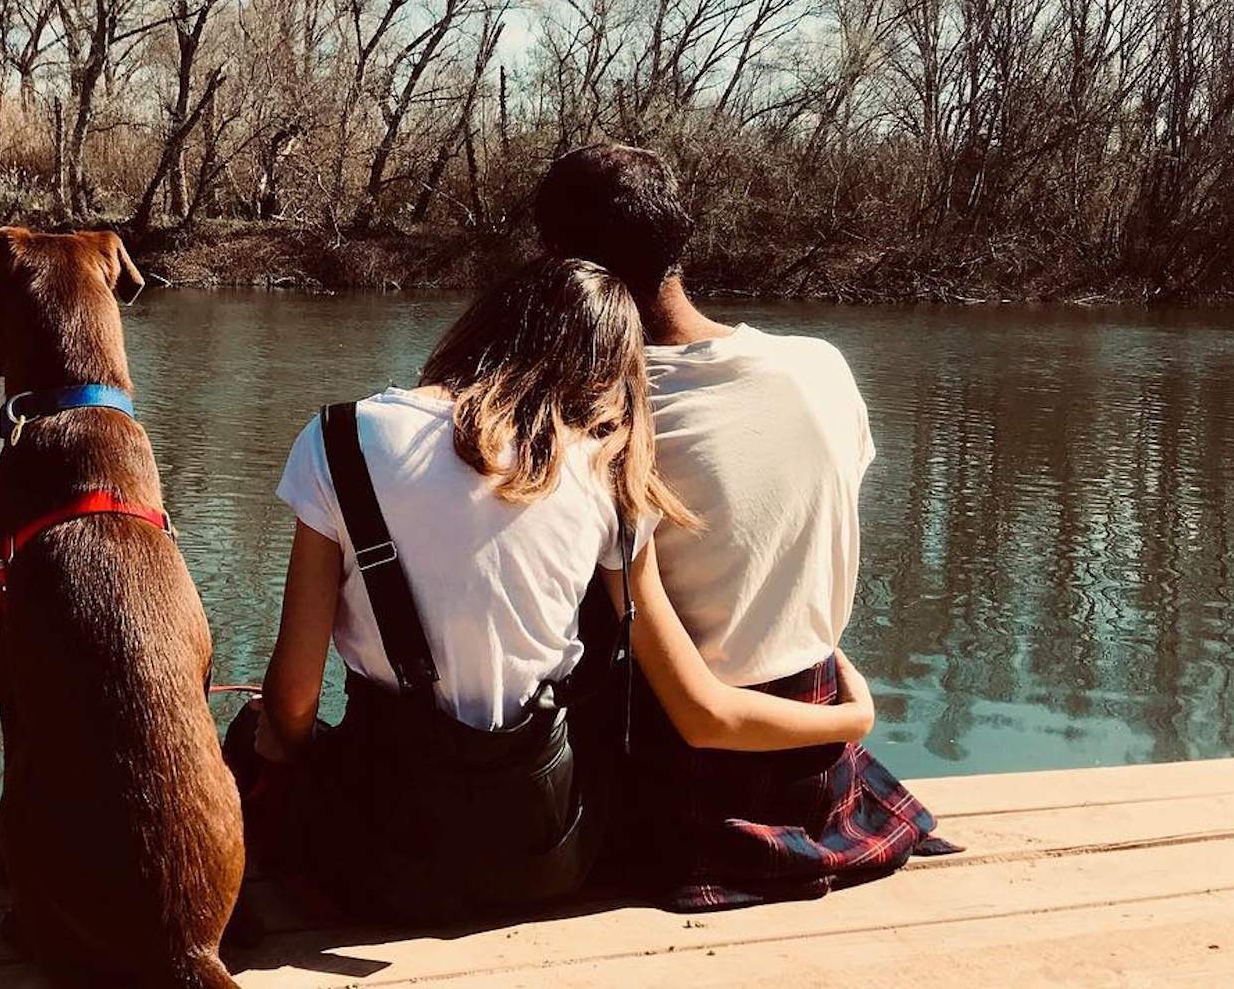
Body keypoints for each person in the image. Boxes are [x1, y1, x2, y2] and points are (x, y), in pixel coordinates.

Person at [226, 257, 880, 926]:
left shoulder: (339, 439)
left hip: (381, 860)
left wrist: (286, 765)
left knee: (257, 729)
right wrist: (852, 721)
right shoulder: (608, 474)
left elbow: (295, 699)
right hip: (549, 858)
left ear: (488, 323)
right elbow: (700, 710)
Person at [532, 141, 956, 909]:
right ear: (679, 242)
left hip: (684, 768)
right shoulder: (820, 366)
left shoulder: (588, 417)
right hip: (820, 741)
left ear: (561, 264)